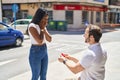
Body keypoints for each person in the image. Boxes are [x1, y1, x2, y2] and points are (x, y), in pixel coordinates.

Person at [28, 8, 52, 80]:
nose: (46, 21)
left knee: (43, 75)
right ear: (39, 17)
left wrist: (44, 29)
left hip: (44, 51)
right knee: (36, 76)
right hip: (35, 52)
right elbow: (39, 41)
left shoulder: (42, 26)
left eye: (47, 19)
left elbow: (49, 39)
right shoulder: (32, 26)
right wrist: (42, 29)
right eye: (44, 19)